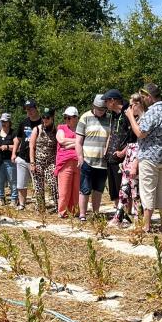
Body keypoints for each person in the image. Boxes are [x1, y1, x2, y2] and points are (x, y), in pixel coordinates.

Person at [124, 83, 162, 233]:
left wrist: (130, 117)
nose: (143, 100)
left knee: (148, 190)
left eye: (143, 97)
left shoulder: (153, 112)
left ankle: (146, 226)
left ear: (149, 96)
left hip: (150, 156)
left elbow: (141, 133)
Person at [75, 94, 111, 222]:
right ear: (93, 106)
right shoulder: (85, 117)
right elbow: (78, 141)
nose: (102, 111)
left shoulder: (110, 118)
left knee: (98, 190)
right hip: (87, 161)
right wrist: (80, 158)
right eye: (99, 109)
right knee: (85, 189)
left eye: (104, 109)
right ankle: (82, 215)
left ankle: (96, 213)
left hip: (103, 162)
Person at [110, 93, 143, 227]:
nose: (128, 108)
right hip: (129, 155)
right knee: (124, 188)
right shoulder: (133, 119)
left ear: (138, 104)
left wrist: (135, 163)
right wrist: (123, 153)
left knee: (135, 189)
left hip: (137, 157)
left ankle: (138, 219)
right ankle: (119, 216)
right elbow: (131, 141)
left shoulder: (143, 120)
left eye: (130, 105)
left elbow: (141, 142)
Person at [102, 89, 132, 210]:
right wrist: (106, 151)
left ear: (113, 101)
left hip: (123, 158)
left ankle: (127, 212)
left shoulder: (128, 113)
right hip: (111, 157)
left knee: (124, 187)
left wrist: (123, 152)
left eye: (106, 101)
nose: (105, 104)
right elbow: (112, 134)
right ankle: (118, 213)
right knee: (114, 189)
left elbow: (133, 137)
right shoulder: (114, 115)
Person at [12, 100, 42, 210]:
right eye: (27, 109)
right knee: (21, 184)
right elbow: (18, 139)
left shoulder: (42, 122)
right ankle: (21, 204)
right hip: (23, 157)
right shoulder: (23, 123)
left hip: (37, 158)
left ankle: (40, 205)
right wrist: (14, 153)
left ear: (36, 108)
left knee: (37, 184)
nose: (29, 111)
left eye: (31, 109)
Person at [29, 107, 59, 212]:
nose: (45, 119)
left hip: (51, 162)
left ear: (52, 117)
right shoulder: (37, 129)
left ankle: (58, 206)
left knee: (54, 184)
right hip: (38, 162)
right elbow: (32, 147)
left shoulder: (56, 130)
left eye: (47, 117)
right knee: (38, 186)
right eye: (43, 117)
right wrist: (32, 163)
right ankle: (40, 208)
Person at [55, 106, 80, 218]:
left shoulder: (81, 129)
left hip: (78, 161)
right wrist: (77, 142)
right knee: (64, 189)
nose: (66, 120)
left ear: (76, 117)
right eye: (65, 117)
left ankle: (75, 211)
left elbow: (85, 142)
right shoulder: (61, 128)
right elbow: (61, 140)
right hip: (65, 162)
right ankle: (62, 212)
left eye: (69, 117)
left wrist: (71, 144)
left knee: (76, 190)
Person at [0, 113, 18, 204]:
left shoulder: (13, 133)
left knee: (12, 180)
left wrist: (7, 147)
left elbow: (17, 146)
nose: (3, 123)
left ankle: (14, 198)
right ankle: (0, 198)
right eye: (2, 121)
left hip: (10, 160)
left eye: (5, 121)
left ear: (9, 122)